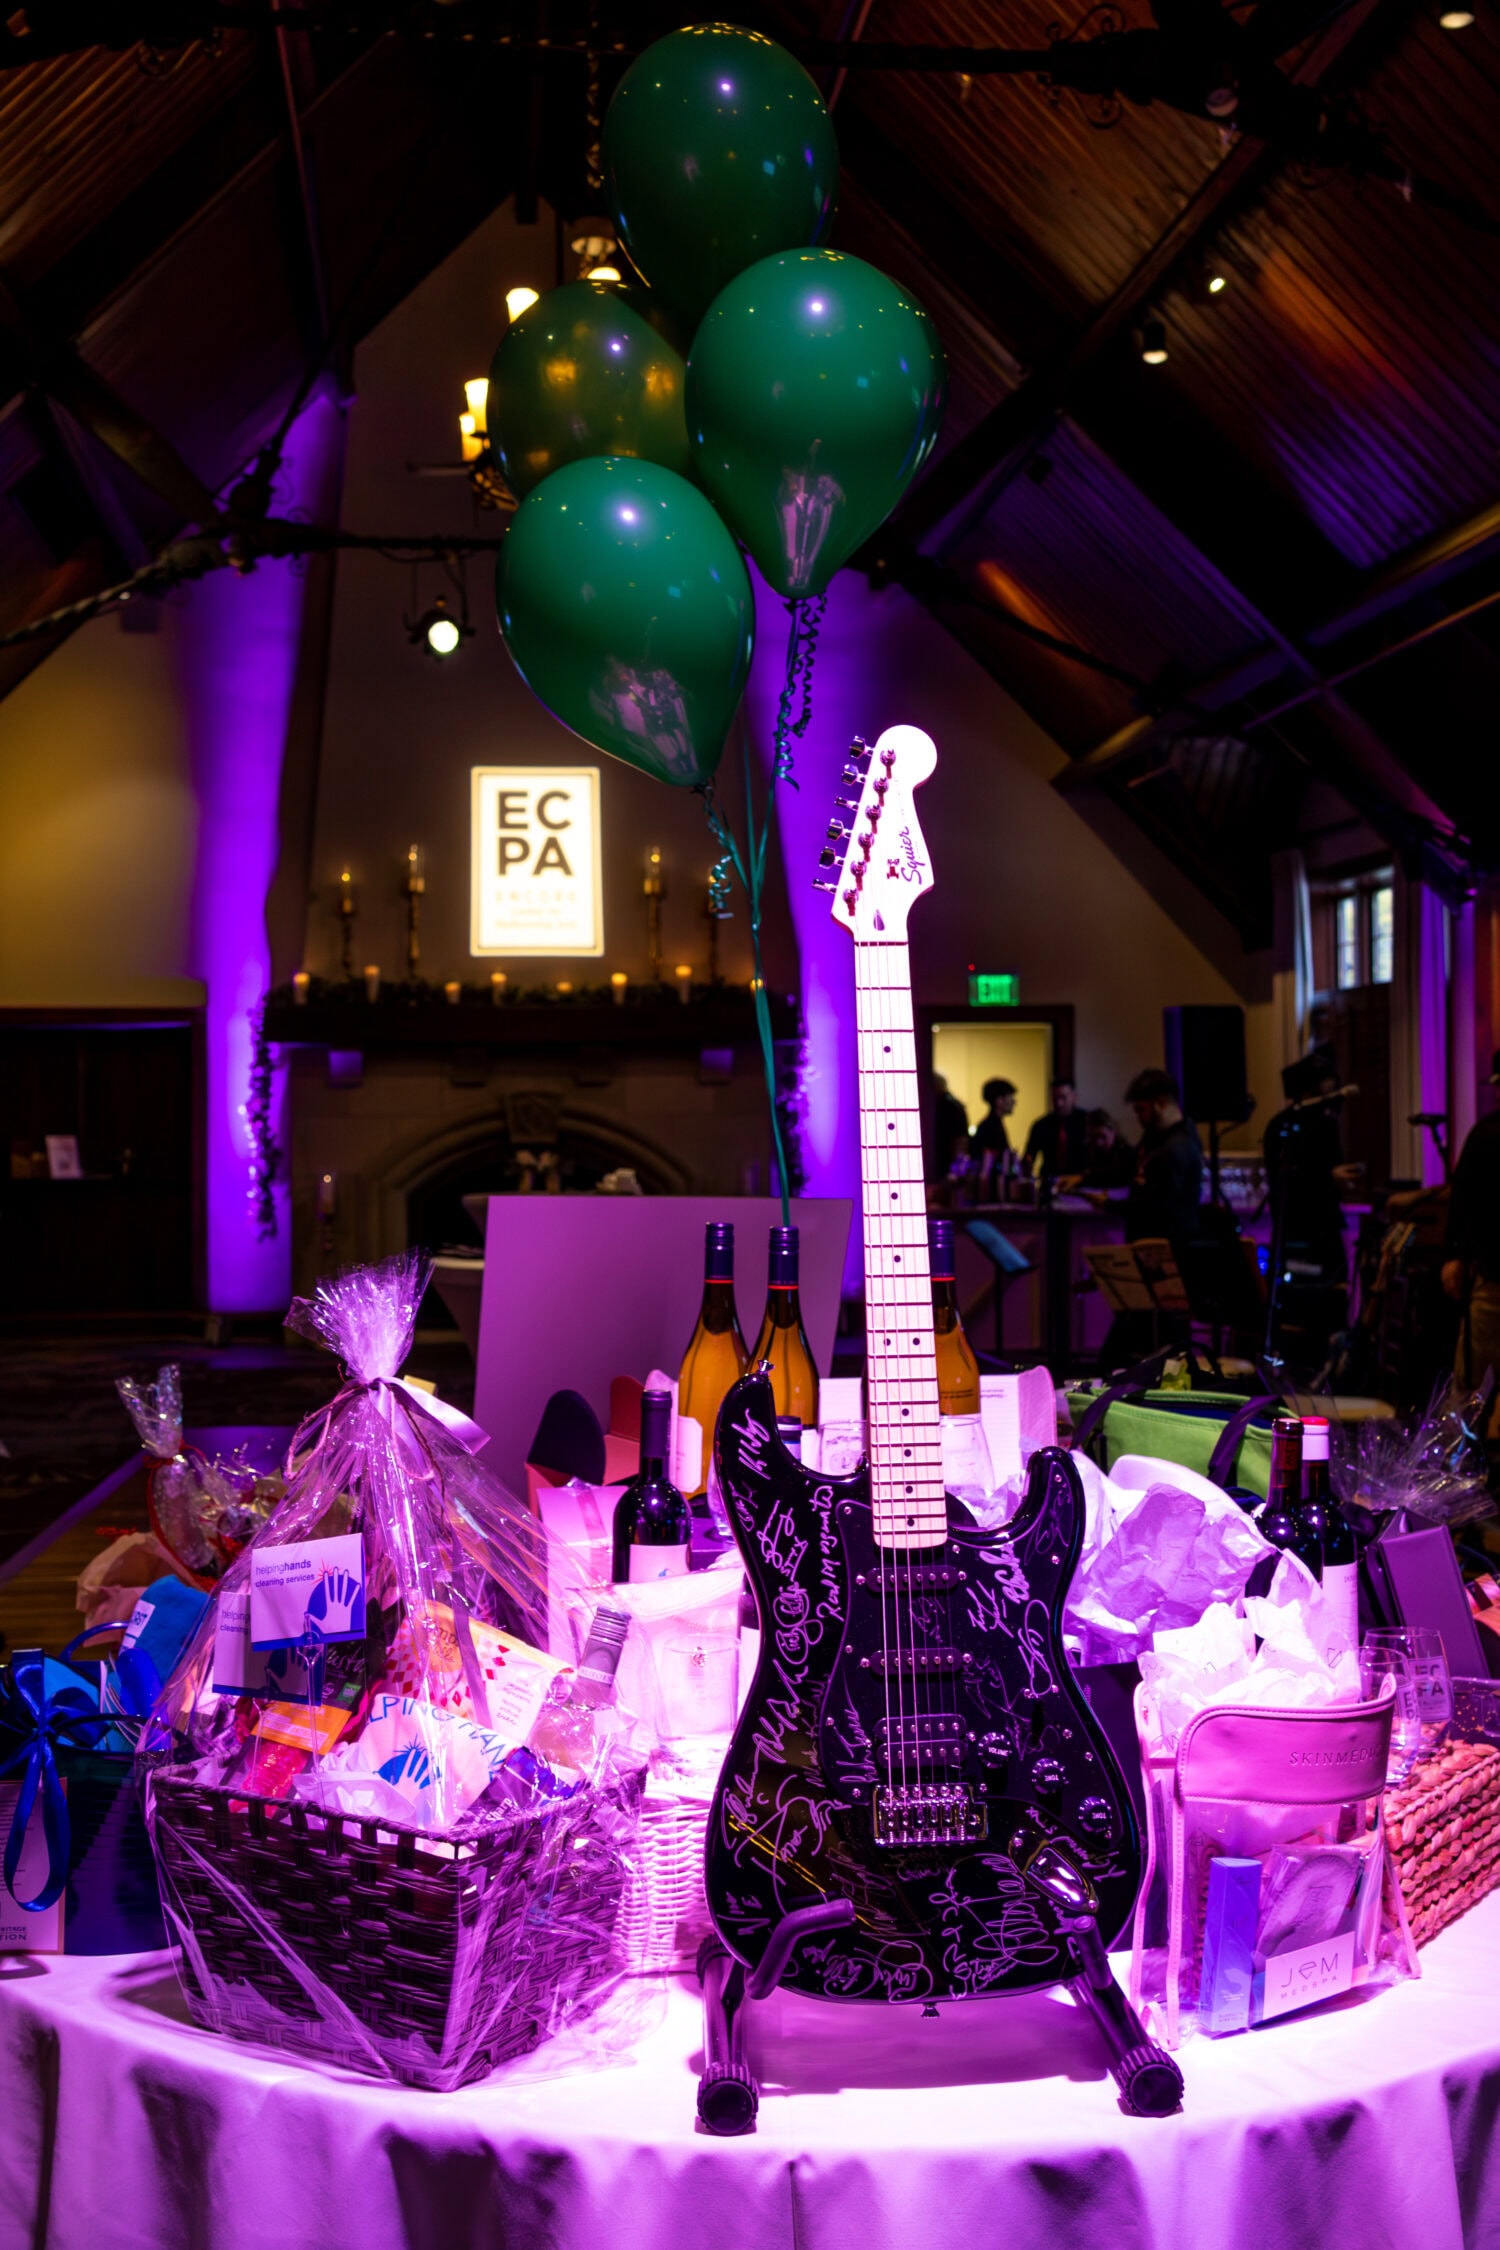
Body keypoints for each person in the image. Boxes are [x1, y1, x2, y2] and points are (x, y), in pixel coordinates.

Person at [1442, 1052, 1500, 1437]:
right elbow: (1463, 1200)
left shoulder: (1487, 1134)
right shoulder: (1487, 1135)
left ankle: (1461, 1460)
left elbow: (1462, 1200)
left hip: (1491, 1279)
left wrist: (1456, 1255)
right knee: (1474, 1387)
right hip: (1491, 1276)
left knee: (1472, 1390)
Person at [1123, 1068, 1205, 1249]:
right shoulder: (1158, 1138)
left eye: (1141, 1110)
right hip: (1156, 1244)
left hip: (1168, 1247)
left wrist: (1110, 1205)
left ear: (1160, 1103)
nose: (1139, 1118)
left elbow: (1159, 1205)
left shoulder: (1177, 1147)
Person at [1023, 1077, 1090, 1179]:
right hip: (1049, 1180)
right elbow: (1029, 1157)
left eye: (1063, 1098)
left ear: (1074, 1097)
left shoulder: (1087, 1122)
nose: (1059, 1103)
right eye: (1055, 1098)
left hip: (1081, 1180)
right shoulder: (1041, 1125)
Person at [970, 1078, 1018, 1196]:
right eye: (1010, 1097)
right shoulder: (992, 1127)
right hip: (992, 1193)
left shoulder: (991, 1124)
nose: (1014, 1101)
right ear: (999, 1100)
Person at [1078, 1108, 1135, 1192]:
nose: (1098, 1142)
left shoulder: (1126, 1153)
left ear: (1113, 1132)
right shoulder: (1088, 1149)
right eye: (1093, 1137)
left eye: (1103, 1136)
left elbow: (1116, 1176)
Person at [931, 1074, 970, 1180]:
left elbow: (959, 1140)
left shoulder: (946, 1105)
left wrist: (956, 1170)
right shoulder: (953, 1103)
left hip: (946, 1165)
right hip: (950, 1164)